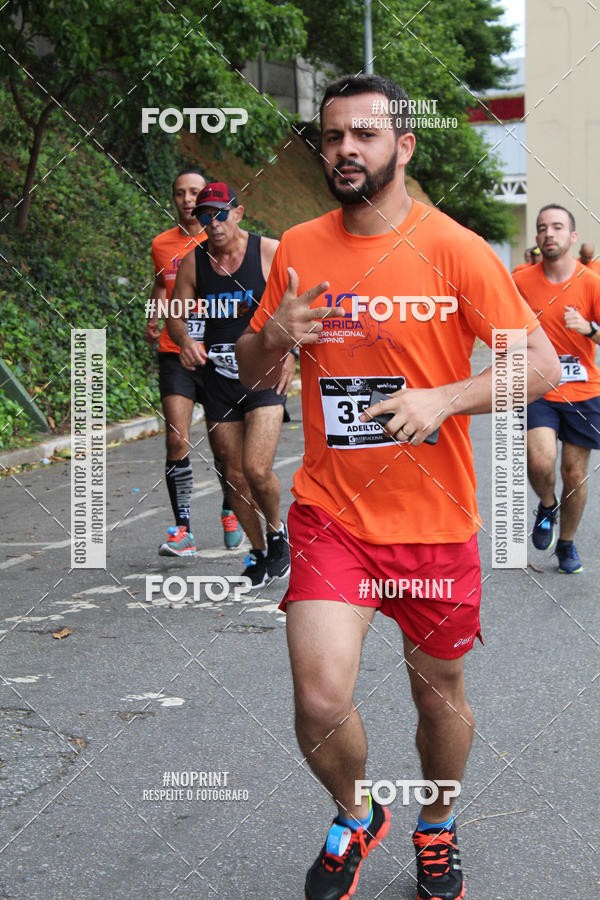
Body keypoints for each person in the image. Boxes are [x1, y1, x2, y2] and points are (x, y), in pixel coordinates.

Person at [236, 74, 560, 900]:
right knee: (318, 695)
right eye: (332, 135)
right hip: (331, 514)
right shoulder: (300, 246)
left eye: (365, 135)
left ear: (402, 146)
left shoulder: (452, 248)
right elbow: (249, 367)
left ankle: (437, 827)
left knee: (439, 696)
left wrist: (444, 398)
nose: (345, 148)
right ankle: (356, 813)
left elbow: (544, 365)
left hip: (434, 521)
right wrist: (272, 335)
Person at [167, 182, 295, 588]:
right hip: (218, 378)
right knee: (233, 474)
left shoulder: (270, 252)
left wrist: (291, 350)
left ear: (238, 214)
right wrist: (186, 340)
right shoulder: (194, 263)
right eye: (204, 216)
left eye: (220, 214)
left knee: (257, 469)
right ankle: (258, 552)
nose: (213, 223)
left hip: (264, 372)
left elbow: (299, 306)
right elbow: (175, 316)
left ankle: (277, 531)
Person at [146, 169, 244, 557]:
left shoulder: (221, 238)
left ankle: (230, 508)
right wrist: (153, 316)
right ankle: (182, 528)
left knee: (226, 447)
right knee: (176, 438)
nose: (187, 200)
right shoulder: (161, 244)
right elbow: (160, 284)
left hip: (219, 354)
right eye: (179, 193)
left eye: (195, 193)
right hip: (176, 351)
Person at [514, 205, 600, 573]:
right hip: (538, 387)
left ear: (572, 237)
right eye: (542, 228)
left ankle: (566, 544)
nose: (549, 233)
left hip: (583, 389)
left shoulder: (592, 282)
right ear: (537, 238)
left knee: (574, 473)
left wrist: (589, 329)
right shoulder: (519, 281)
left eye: (558, 227)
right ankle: (547, 504)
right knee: (540, 459)